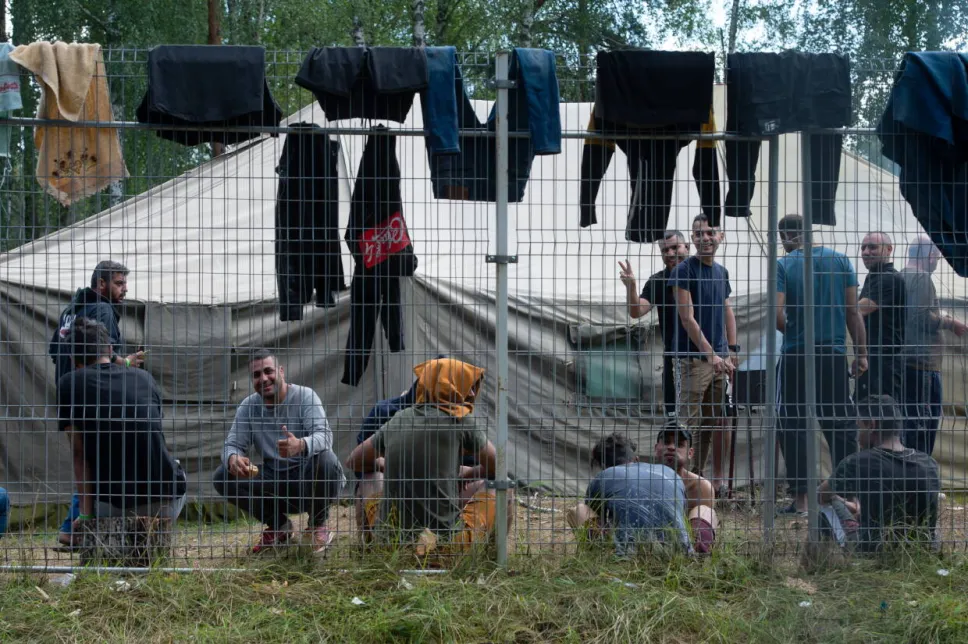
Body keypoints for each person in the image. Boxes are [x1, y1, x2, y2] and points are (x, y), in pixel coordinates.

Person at [345, 358, 506, 551]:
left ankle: (371, 553)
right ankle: (493, 557)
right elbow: (500, 466)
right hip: (446, 548)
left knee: (369, 479)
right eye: (466, 385)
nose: (472, 393)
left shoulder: (399, 418)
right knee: (503, 487)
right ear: (449, 386)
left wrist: (384, 464)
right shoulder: (461, 421)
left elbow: (354, 461)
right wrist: (468, 473)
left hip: (394, 547)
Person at [56, 318, 187, 544]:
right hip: (166, 501)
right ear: (109, 349)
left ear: (73, 359)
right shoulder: (145, 378)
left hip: (111, 507)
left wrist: (86, 515)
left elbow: (79, 454)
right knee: (174, 465)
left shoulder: (70, 384)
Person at [775, 214, 868, 515]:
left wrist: (794, 330)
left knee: (794, 423)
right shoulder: (841, 262)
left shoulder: (783, 264)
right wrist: (862, 354)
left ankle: (802, 501)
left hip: (796, 353)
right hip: (833, 353)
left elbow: (776, 313)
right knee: (840, 424)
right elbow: (853, 313)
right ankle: (844, 496)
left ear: (787, 236)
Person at [50, 260, 146, 546]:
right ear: (101, 284)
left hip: (69, 392)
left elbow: (55, 351)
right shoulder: (102, 309)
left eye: (125, 283)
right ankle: (74, 527)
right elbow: (103, 353)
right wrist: (126, 362)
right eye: (119, 283)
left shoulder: (72, 309)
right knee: (95, 458)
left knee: (85, 458)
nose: (125, 289)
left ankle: (74, 527)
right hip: (94, 393)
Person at [213, 349, 345, 554]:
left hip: (306, 479)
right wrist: (233, 458)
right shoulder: (248, 407)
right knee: (222, 475)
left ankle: (317, 525)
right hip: (272, 481)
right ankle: (279, 526)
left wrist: (301, 445)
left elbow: (325, 437)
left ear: (281, 371)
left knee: (326, 459)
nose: (263, 379)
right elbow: (231, 444)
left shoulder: (305, 396)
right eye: (256, 375)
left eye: (268, 371)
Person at [669, 213, 738, 496]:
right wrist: (711, 354)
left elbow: (727, 311)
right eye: (699, 234)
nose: (705, 238)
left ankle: (698, 482)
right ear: (693, 238)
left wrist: (731, 352)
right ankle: (676, 487)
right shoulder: (684, 270)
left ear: (720, 236)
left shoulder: (721, 272)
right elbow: (687, 318)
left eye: (710, 232)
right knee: (687, 426)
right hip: (693, 361)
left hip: (720, 361)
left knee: (710, 423)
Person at [818, 395, 940, 552]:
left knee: (820, 500)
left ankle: (835, 558)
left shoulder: (858, 462)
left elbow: (822, 495)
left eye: (859, 427)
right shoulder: (929, 463)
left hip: (873, 549)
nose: (857, 436)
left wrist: (838, 500)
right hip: (920, 549)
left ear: (872, 425)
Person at [567, 433, 693, 556]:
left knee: (578, 510)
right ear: (636, 459)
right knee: (705, 511)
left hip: (628, 555)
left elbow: (598, 516)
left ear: (604, 466)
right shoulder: (668, 471)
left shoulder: (603, 477)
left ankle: (600, 557)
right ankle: (701, 554)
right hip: (678, 552)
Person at [899, 235, 968, 455]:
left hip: (908, 364)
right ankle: (919, 481)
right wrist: (950, 322)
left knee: (910, 424)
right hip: (922, 366)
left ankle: (910, 479)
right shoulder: (920, 278)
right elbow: (919, 317)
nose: (938, 262)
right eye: (937, 257)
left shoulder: (901, 276)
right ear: (930, 256)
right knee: (923, 425)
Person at [618, 230, 691, 426]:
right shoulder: (658, 281)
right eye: (665, 250)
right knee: (675, 421)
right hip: (675, 360)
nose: (670, 253)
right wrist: (631, 287)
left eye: (675, 247)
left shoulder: (704, 273)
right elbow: (636, 311)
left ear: (688, 247)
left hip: (708, 357)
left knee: (710, 417)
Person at [653, 426, 719, 553]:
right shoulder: (643, 480)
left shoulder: (701, 486)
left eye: (679, 444)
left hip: (685, 544)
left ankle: (698, 555)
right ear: (656, 449)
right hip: (651, 541)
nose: (671, 447)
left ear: (690, 453)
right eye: (666, 442)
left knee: (705, 511)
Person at [857, 232, 907, 401]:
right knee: (865, 414)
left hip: (884, 362)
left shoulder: (888, 278)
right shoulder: (874, 277)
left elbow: (858, 310)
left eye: (872, 247)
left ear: (889, 249)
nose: (865, 252)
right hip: (873, 358)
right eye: (863, 247)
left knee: (880, 418)